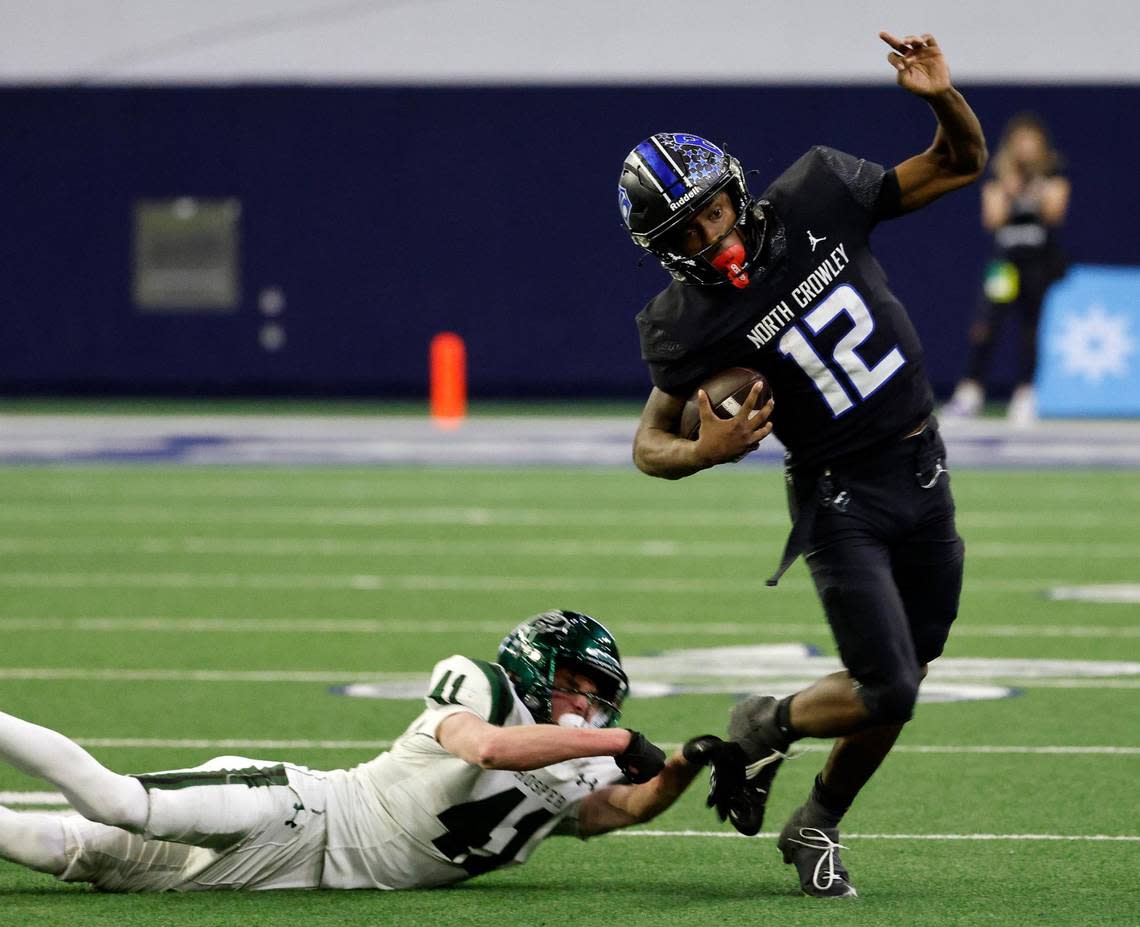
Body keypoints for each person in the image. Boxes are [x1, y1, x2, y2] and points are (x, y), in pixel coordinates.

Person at [616, 32, 986, 897]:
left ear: (734, 191)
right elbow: (648, 445)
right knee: (888, 686)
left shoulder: (819, 192)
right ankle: (759, 724)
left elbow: (961, 161)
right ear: (666, 248)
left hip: (923, 470)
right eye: (688, 230)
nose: (712, 234)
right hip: (840, 496)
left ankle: (815, 820)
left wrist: (940, 94)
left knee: (914, 666)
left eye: (712, 210)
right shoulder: (684, 322)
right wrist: (703, 451)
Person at [0, 609, 691, 892]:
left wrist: (691, 763)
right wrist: (621, 738)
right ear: (536, 667)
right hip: (306, 812)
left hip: (299, 875)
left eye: (597, 695)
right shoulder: (480, 685)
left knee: (76, 849)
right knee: (118, 801)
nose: (584, 704)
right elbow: (486, 749)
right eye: (574, 685)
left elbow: (619, 807)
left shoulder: (579, 761)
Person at [944, 112, 1070, 425]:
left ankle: (1025, 395)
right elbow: (992, 219)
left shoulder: (1053, 173)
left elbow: (1055, 212)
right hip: (1004, 264)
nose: (1026, 149)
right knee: (986, 326)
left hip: (1038, 263)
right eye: (1021, 142)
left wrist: (1035, 192)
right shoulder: (999, 177)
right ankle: (970, 393)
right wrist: (1010, 191)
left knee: (1031, 329)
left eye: (1032, 142)